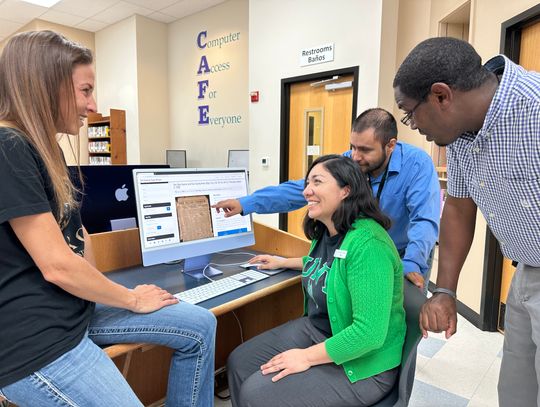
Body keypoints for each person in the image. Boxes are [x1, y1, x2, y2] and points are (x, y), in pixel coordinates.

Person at [0, 30, 216, 406]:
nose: (93, 104)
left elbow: (76, 235)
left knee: (201, 325)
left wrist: (106, 293)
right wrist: (131, 299)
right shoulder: (9, 148)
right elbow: (57, 266)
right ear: (46, 87)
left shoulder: (44, 147)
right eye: (85, 91)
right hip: (38, 342)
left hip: (75, 310)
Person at [393, 37, 540, 407]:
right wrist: (445, 291)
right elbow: (459, 208)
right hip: (525, 272)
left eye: (410, 113)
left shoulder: (534, 109)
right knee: (516, 393)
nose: (413, 126)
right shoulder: (460, 136)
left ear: (441, 96)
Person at [227, 154, 406, 407]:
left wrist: (307, 357)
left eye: (317, 182)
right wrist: (283, 262)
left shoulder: (369, 245)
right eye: (307, 183)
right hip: (319, 331)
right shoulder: (328, 230)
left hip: (363, 362)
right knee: (239, 362)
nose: (307, 191)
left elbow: (368, 334)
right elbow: (331, 266)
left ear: (346, 190)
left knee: (257, 393)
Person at [214, 108, 440, 291]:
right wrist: (246, 203)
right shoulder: (350, 162)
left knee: (401, 325)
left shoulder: (417, 164)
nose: (355, 156)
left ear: (390, 145)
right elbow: (299, 190)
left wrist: (410, 265)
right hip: (359, 253)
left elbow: (424, 220)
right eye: (352, 146)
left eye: (364, 150)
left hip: (405, 254)